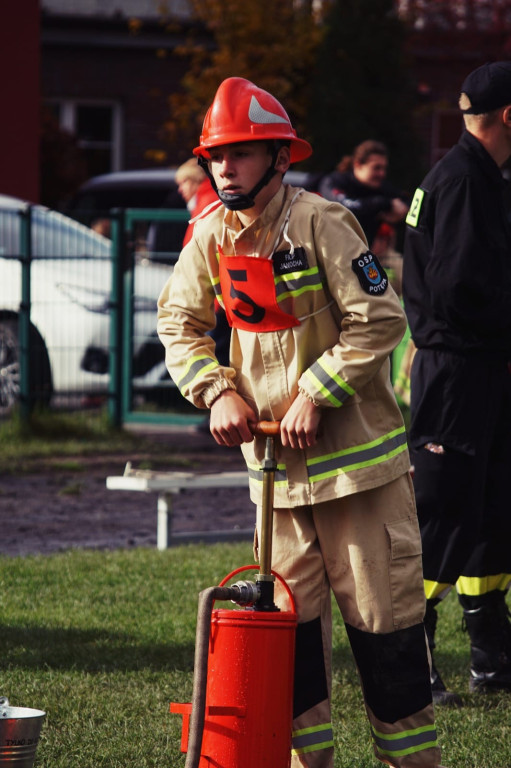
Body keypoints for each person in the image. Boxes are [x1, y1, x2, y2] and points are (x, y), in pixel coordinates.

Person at [157, 77, 443, 768]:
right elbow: (179, 321)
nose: (223, 168)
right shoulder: (211, 237)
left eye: (240, 154)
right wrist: (215, 391)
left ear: (279, 158)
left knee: (386, 636)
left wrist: (315, 392)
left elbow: (378, 317)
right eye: (215, 156)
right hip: (276, 482)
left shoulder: (323, 220)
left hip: (360, 479)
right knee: (288, 642)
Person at [403, 61, 511, 706]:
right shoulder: (464, 180)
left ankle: (491, 654)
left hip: (481, 369)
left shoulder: (479, 176)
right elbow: (460, 290)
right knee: (444, 512)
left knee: (492, 510)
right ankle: (407, 651)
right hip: (457, 372)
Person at [318, 139, 409, 248]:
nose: (382, 174)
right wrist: (385, 204)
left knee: (399, 264)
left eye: (384, 168)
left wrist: (401, 211)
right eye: (376, 168)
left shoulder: (380, 187)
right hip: (330, 251)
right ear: (358, 165)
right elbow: (345, 208)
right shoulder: (335, 181)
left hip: (367, 254)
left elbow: (406, 201)